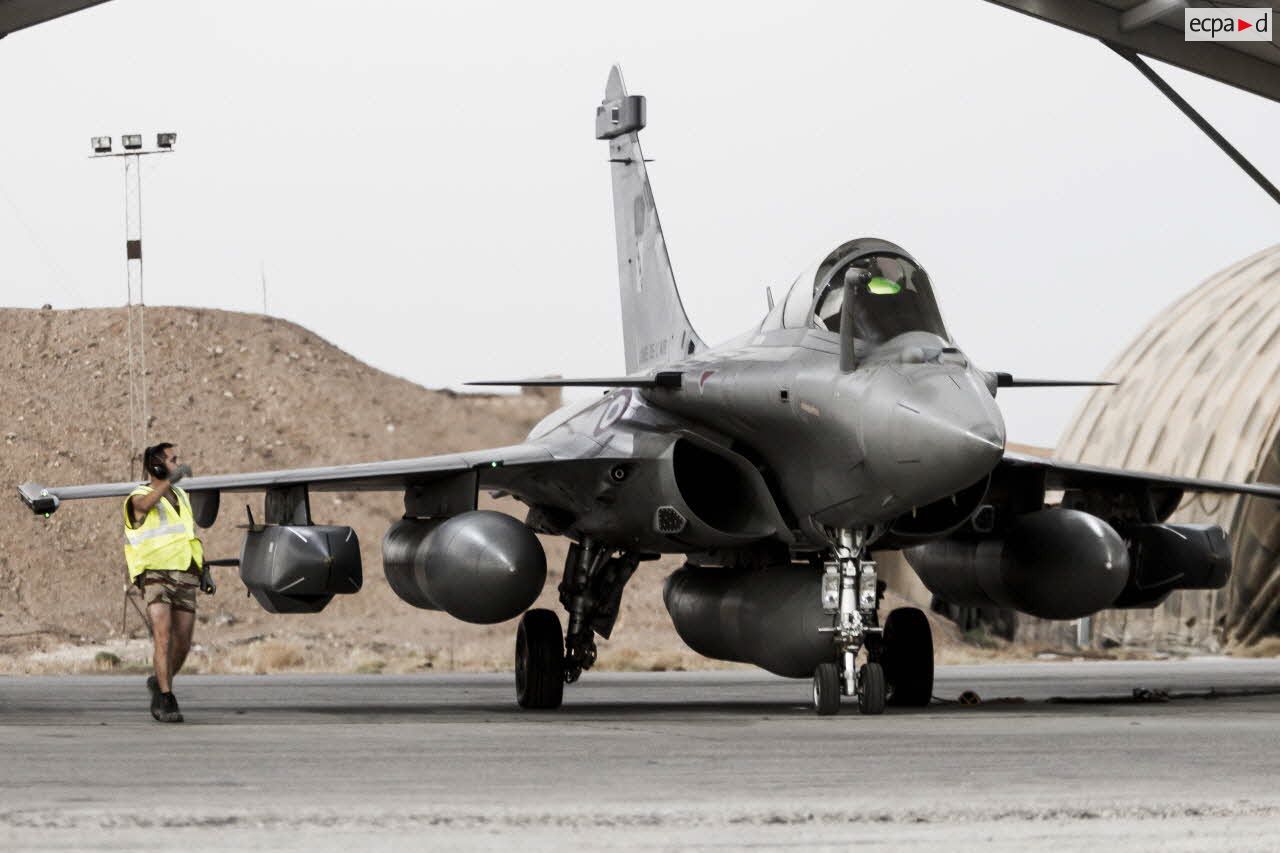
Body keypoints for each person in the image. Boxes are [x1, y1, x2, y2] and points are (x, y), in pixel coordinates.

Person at [123, 442, 214, 723]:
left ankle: (159, 681)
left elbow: (188, 536)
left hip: (186, 574)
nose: (179, 463)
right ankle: (166, 698)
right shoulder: (137, 496)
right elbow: (145, 505)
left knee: (183, 642)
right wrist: (168, 481)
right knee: (163, 637)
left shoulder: (182, 497)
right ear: (158, 466)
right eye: (173, 460)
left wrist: (203, 569)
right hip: (156, 575)